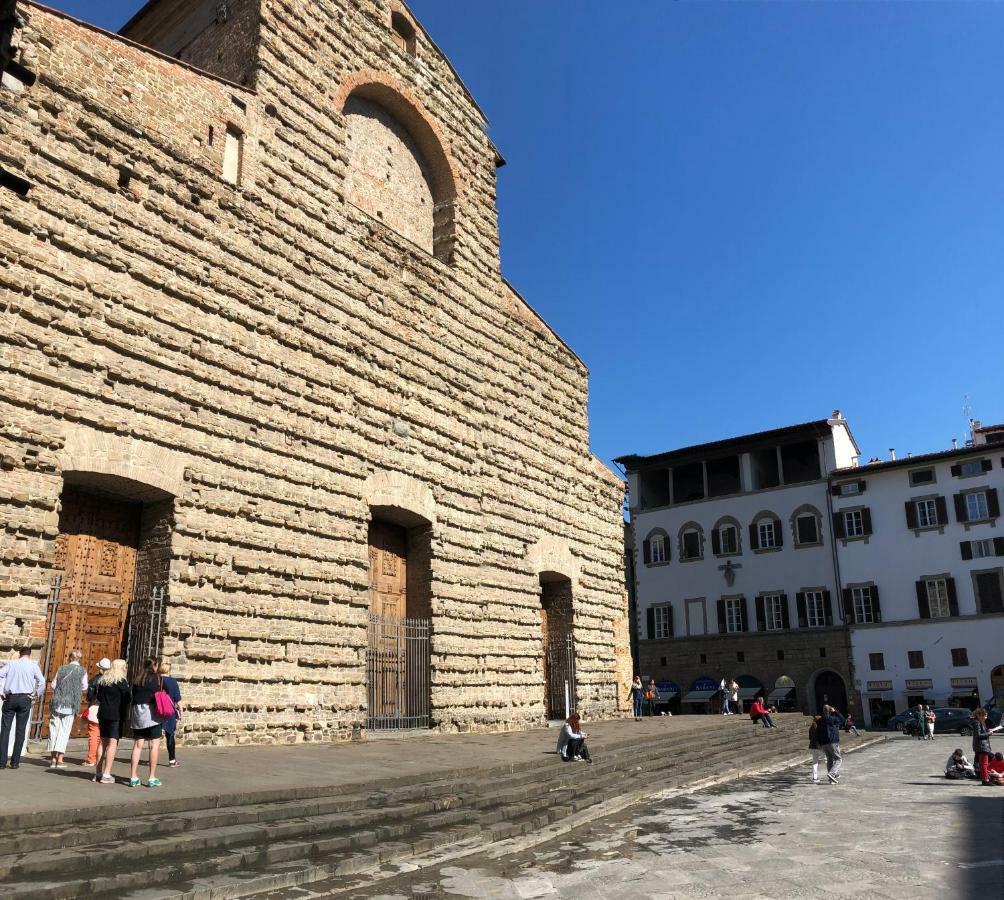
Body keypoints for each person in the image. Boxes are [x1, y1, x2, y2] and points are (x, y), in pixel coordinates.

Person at [0, 647, 46, 770]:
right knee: (20, 731)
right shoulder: (33, 666)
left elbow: (0, 675)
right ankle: (15, 762)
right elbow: (42, 682)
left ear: (20, 654)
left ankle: (1, 762)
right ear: (30, 655)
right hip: (25, 698)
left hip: (10, 697)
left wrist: (1, 691)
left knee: (5, 730)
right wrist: (35, 694)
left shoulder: (12, 664)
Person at [47, 649, 87, 769]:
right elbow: (84, 687)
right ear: (79, 659)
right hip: (70, 705)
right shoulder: (82, 671)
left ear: (69, 658)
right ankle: (60, 760)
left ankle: (53, 759)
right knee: (64, 731)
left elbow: (53, 685)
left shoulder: (61, 669)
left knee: (54, 730)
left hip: (57, 703)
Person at [128, 657, 165, 787]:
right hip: (151, 714)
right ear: (154, 665)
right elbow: (157, 696)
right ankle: (151, 777)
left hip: (138, 714)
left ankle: (133, 777)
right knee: (154, 745)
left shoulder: (137, 679)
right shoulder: (156, 678)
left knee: (138, 745)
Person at [94, 658, 130, 784]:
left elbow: (98, 696)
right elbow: (127, 699)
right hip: (115, 715)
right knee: (112, 743)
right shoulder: (121, 682)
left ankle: (98, 772)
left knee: (102, 742)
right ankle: (107, 773)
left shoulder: (103, 680)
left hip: (103, 713)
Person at [82, 657, 111, 767]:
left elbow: (90, 697)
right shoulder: (112, 680)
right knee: (103, 736)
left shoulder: (95, 680)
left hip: (95, 708)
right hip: (107, 709)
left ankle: (91, 758)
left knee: (94, 734)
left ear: (99, 668)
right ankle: (101, 757)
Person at [159, 659, 183, 767]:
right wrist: (181, 712)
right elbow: (178, 699)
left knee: (153, 736)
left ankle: (152, 756)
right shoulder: (173, 682)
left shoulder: (156, 680)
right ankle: (172, 760)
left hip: (156, 710)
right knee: (170, 735)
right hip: (169, 711)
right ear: (169, 671)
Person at [818, 704, 846, 783]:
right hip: (832, 741)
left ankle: (831, 780)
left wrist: (820, 742)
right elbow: (843, 719)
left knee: (829, 759)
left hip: (824, 743)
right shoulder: (832, 719)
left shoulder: (820, 720)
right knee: (838, 759)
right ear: (830, 710)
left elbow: (818, 732)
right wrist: (836, 711)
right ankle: (832, 773)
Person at [972, 708, 996, 785]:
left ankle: (984, 778)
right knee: (984, 763)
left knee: (982, 763)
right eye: (984, 715)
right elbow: (978, 735)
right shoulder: (977, 723)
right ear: (979, 715)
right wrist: (989, 733)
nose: (986, 717)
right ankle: (985, 779)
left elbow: (981, 733)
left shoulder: (979, 722)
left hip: (981, 745)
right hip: (982, 746)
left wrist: (988, 730)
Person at [808, 715, 827, 784]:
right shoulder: (820, 727)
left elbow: (810, 738)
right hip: (820, 746)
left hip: (812, 746)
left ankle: (815, 777)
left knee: (815, 762)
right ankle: (831, 774)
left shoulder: (811, 728)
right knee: (826, 760)